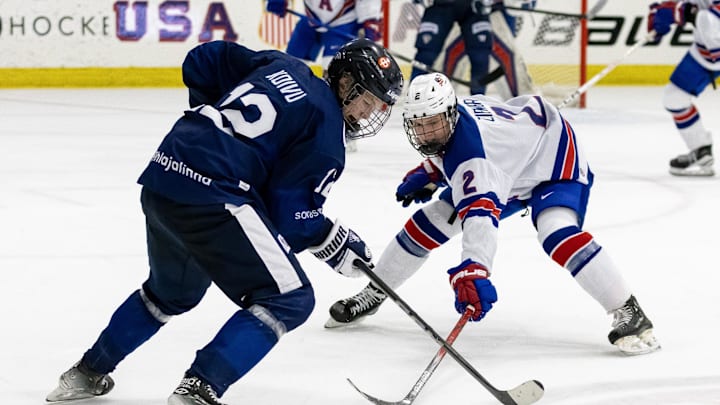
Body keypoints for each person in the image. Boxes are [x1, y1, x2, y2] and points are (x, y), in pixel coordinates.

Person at [45, 38, 403, 405]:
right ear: (344, 83)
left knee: (171, 292)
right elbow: (290, 215)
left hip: (166, 170)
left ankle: (86, 373)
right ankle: (199, 387)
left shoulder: (283, 65)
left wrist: (214, 131)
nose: (366, 113)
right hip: (215, 193)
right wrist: (333, 241)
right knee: (291, 298)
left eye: (377, 106)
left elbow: (202, 59)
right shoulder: (328, 136)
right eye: (366, 99)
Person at [326, 72, 661, 356]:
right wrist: (431, 170)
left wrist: (475, 271)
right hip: (513, 164)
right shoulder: (457, 119)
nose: (427, 133)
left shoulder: (475, 163)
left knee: (556, 232)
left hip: (554, 160)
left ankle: (628, 310)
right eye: (419, 124)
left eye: (433, 123)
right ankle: (376, 291)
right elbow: (481, 144)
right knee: (425, 225)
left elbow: (480, 218)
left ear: (449, 114)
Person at [647, 0, 719, 176]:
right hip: (704, 52)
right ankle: (701, 150)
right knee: (674, 98)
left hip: (713, 50)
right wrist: (667, 10)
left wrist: (684, 12)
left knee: (705, 18)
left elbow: (708, 19)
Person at [266, 0, 383, 71]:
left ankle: (332, 108)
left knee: (334, 69)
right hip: (310, 20)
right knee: (290, 64)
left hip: (343, 23)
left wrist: (370, 18)